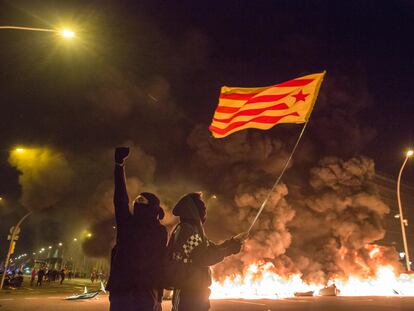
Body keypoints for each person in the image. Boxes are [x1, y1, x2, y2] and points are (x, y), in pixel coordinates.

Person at [106, 147, 168, 311]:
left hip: (147, 292)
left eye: (142, 201)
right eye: (137, 200)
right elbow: (120, 198)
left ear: (153, 207)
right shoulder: (127, 222)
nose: (137, 202)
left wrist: (159, 295)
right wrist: (119, 166)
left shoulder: (160, 231)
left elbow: (160, 261)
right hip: (123, 289)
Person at [169, 192, 247, 311]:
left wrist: (233, 242)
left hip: (197, 292)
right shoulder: (187, 230)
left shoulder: (194, 229)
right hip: (188, 294)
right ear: (193, 210)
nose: (205, 212)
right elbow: (203, 257)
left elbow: (212, 249)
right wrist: (229, 250)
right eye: (202, 208)